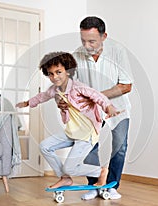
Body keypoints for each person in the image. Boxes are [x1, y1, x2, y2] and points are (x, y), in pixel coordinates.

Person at [16, 51, 122, 189]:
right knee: (45, 146)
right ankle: (65, 179)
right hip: (72, 132)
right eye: (51, 74)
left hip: (86, 134)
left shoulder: (78, 87)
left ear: (68, 71)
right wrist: (27, 103)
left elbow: (97, 96)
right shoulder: (54, 90)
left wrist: (109, 107)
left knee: (70, 168)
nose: (55, 77)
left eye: (58, 72)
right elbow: (42, 96)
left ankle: (100, 171)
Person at [59, 16, 133, 200]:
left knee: (120, 147)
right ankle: (93, 185)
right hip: (90, 111)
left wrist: (97, 97)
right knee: (89, 146)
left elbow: (126, 85)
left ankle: (112, 186)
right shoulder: (76, 55)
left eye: (92, 40)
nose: (87, 45)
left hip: (118, 108)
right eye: (83, 40)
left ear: (104, 36)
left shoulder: (118, 52)